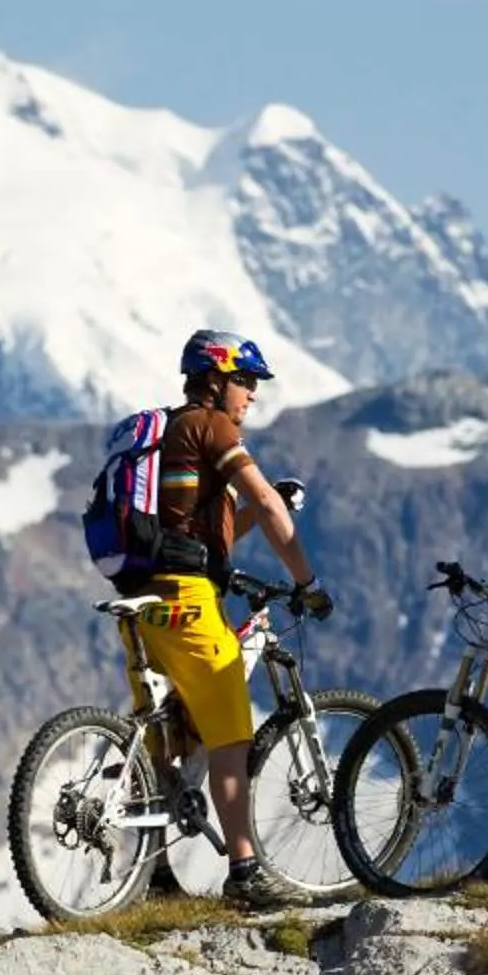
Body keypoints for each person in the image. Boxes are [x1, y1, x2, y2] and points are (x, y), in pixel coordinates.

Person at [128, 328, 335, 909]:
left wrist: (248, 516)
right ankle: (245, 870)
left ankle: (155, 873)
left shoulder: (170, 432)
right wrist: (307, 583)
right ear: (215, 380)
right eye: (245, 382)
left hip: (143, 598)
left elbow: (202, 530)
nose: (251, 396)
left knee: (171, 733)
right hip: (188, 602)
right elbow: (266, 506)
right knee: (229, 738)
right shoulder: (213, 426)